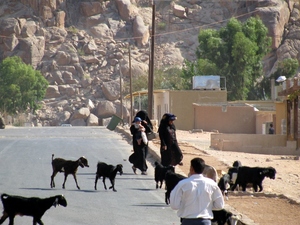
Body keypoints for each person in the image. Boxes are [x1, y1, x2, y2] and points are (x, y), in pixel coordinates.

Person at [170, 157, 225, 225]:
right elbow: (220, 205)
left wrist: (186, 206)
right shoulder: (212, 184)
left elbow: (174, 205)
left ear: (191, 169)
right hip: (205, 222)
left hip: (187, 221)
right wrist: (207, 206)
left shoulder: (183, 184)